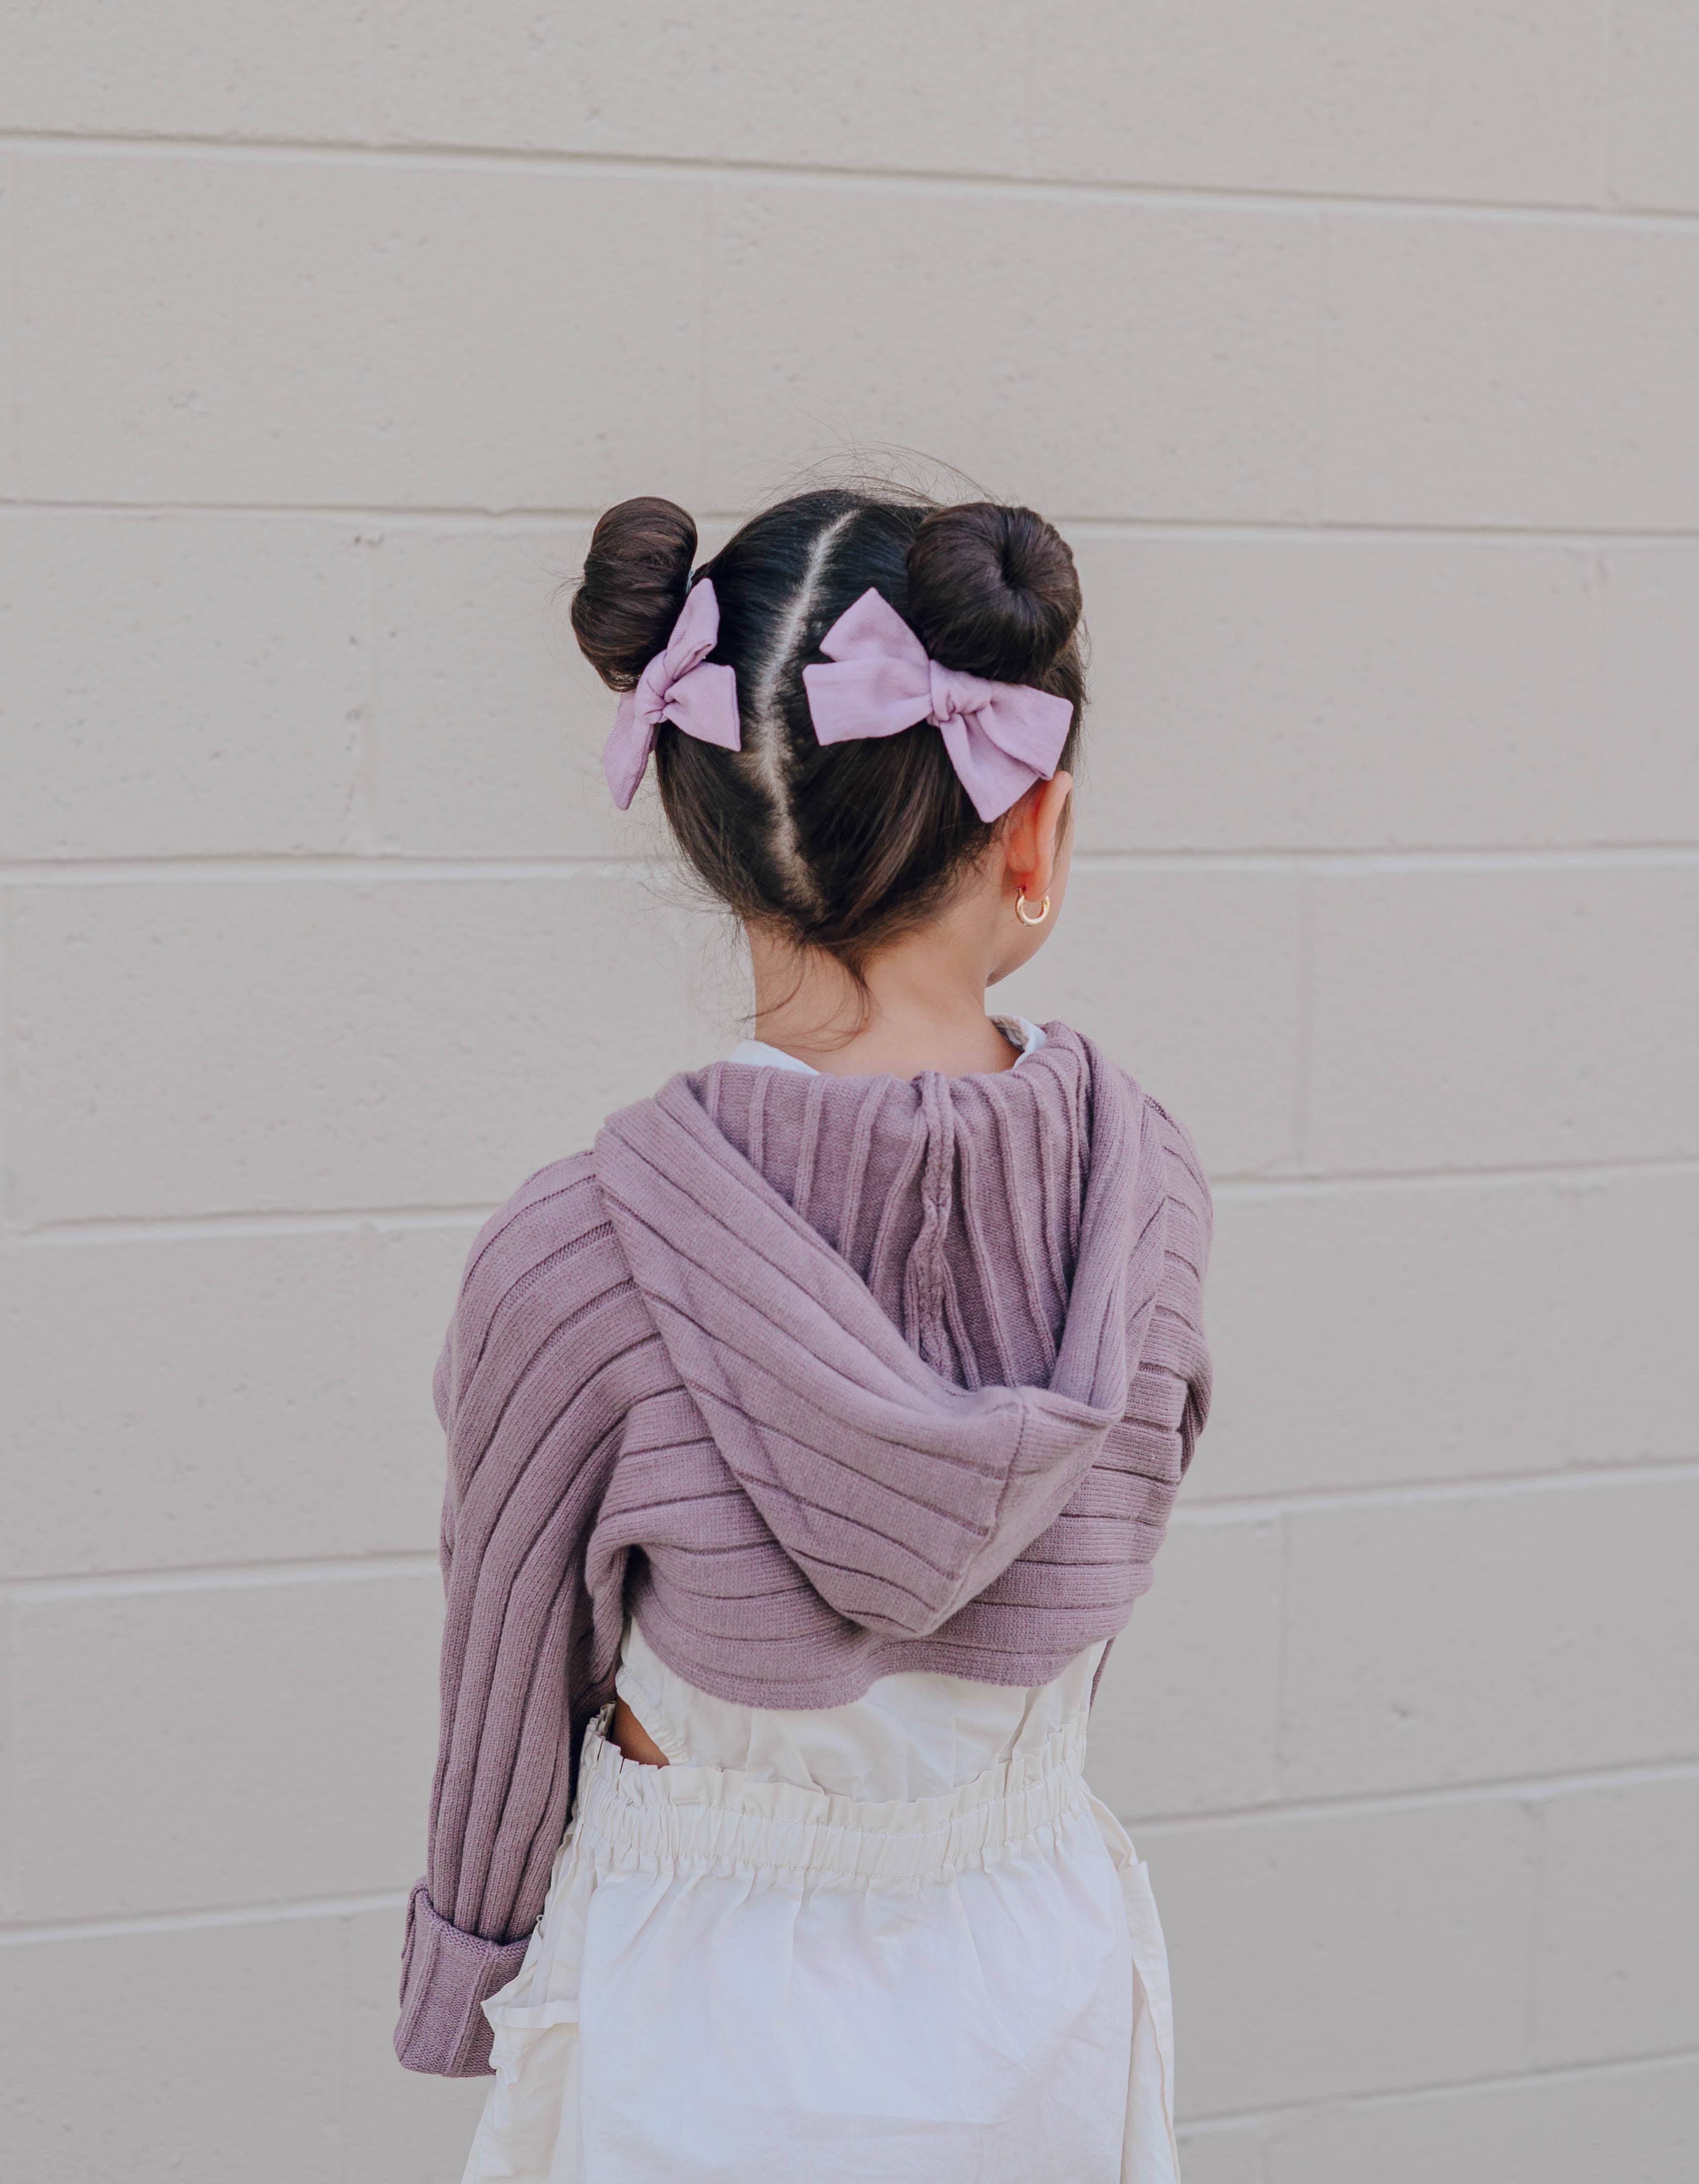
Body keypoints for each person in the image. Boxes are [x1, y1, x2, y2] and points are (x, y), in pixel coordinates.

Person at [394, 485, 1214, 2183]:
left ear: (711, 830)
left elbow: (506, 1675)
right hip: (1042, 1991)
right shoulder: (1149, 1201)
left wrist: (469, 1968)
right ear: (1038, 833)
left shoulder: (576, 1259)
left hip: (705, 2019)